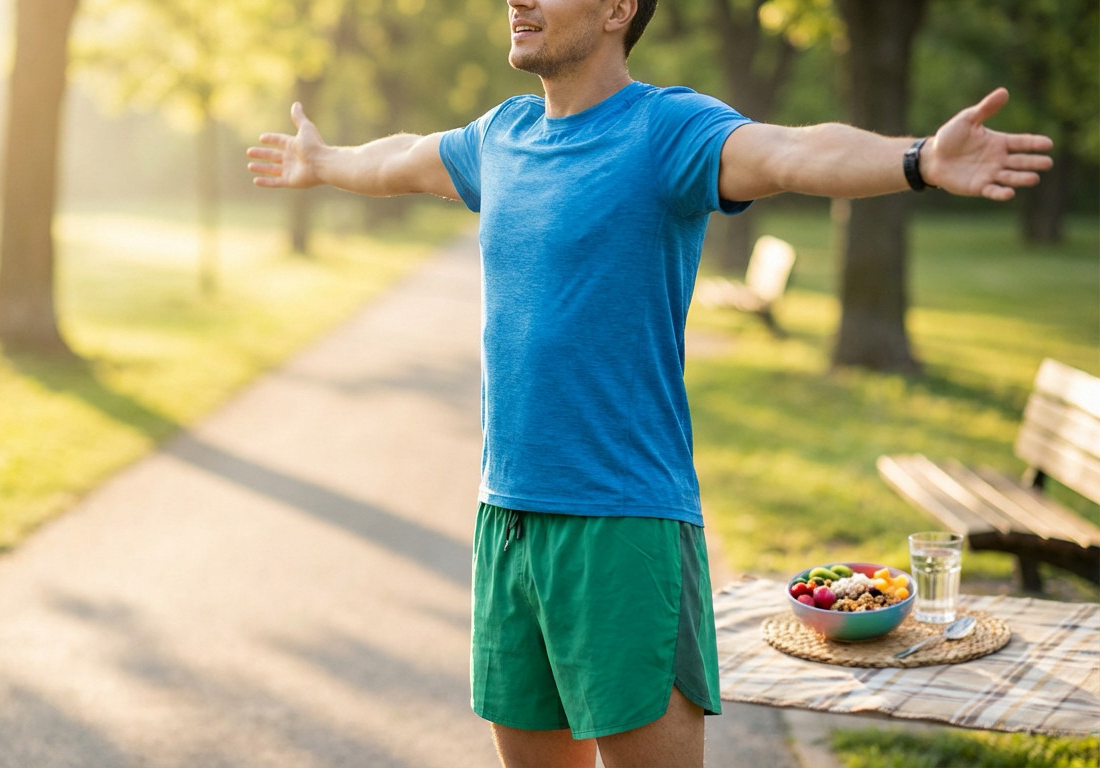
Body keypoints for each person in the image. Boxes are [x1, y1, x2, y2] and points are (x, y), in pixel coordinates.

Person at [247, 0, 1053, 765]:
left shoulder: (665, 129)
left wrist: (915, 159)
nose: (517, 0)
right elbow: (399, 158)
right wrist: (325, 162)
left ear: (617, 9)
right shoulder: (501, 136)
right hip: (509, 518)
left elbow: (788, 152)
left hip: (624, 523)